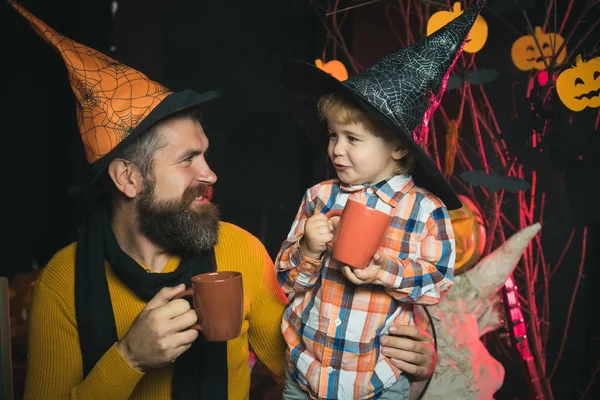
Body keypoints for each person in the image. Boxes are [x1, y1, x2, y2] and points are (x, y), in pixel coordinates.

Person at [8, 1, 439, 399]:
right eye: (187, 160)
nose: (210, 174)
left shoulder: (240, 251)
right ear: (128, 178)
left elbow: (310, 368)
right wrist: (129, 360)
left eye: (206, 154)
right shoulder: (63, 282)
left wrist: (409, 369)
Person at [274, 1, 487, 399]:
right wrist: (307, 249)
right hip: (305, 370)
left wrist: (382, 270)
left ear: (398, 150)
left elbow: (436, 285)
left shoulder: (425, 210)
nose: (336, 149)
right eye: (333, 135)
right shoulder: (319, 197)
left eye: (352, 139)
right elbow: (285, 282)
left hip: (376, 381)